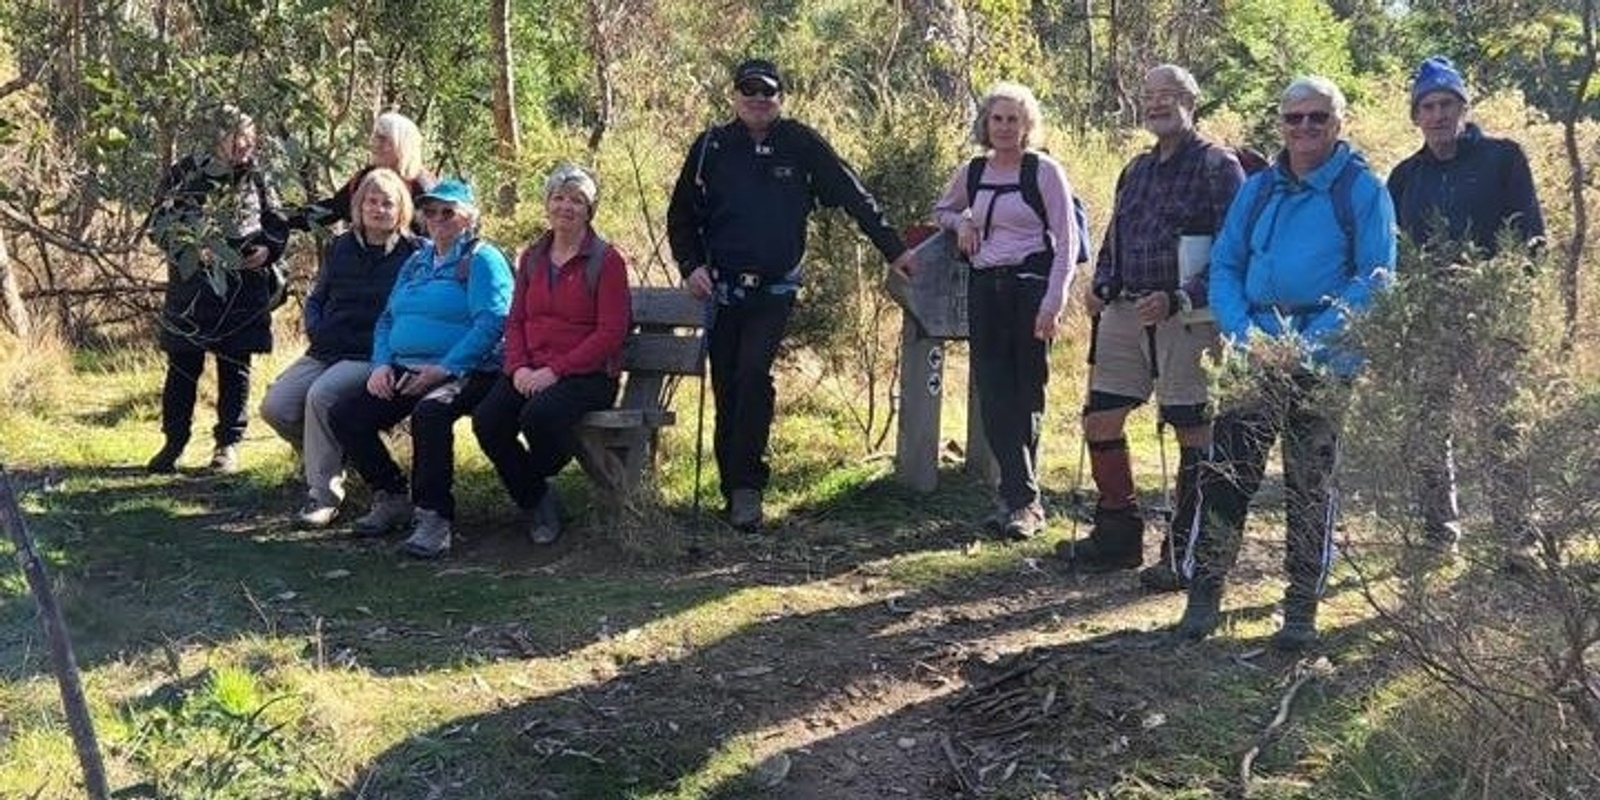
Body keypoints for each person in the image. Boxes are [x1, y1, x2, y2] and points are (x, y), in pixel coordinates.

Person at [1174, 76, 1396, 650]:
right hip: (1253, 353)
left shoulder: (1362, 189)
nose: (1303, 129)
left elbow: (1375, 278)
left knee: (1310, 484)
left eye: (1316, 118)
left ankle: (1300, 605)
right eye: (1293, 118)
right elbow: (1225, 265)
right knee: (1226, 473)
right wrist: (1245, 334)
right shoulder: (1260, 188)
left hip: (1326, 361)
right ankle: (1206, 592)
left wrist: (1306, 342)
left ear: (1337, 122)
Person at [666, 58, 915, 531]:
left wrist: (894, 249)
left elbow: (852, 194)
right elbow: (681, 217)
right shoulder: (711, 147)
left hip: (775, 290)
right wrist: (691, 267)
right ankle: (730, 488)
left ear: (781, 97)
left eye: (768, 91)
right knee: (728, 386)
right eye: (749, 90)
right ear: (734, 96)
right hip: (720, 289)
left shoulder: (800, 143)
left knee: (754, 375)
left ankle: (748, 490)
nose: (758, 99)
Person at [1058, 65, 1245, 585]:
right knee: (1100, 418)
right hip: (1126, 310)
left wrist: (1182, 296)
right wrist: (1103, 283)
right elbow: (1116, 237)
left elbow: (1235, 249)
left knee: (1193, 427)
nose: (1158, 104)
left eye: (1169, 96)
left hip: (1189, 315)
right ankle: (1118, 536)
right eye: (1150, 97)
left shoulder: (1217, 165)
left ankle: (1185, 551)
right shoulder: (1134, 169)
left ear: (1193, 101)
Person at [1386, 55, 1546, 565]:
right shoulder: (1405, 177)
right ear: (1415, 116)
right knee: (1430, 425)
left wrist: (1509, 304)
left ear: (1464, 106)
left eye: (1446, 104)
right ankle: (1440, 536)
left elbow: (1532, 239)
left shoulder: (1503, 158)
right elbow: (1392, 254)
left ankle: (1517, 536)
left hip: (1492, 315)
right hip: (1427, 320)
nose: (1437, 115)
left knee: (1501, 424)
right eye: (1427, 106)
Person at [329, 178, 512, 558]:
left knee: (430, 412)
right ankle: (392, 495)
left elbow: (493, 322)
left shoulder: (481, 259)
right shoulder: (417, 261)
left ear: (468, 218)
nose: (438, 218)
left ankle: (434, 518)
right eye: (431, 211)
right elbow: (386, 320)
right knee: (346, 415)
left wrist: (444, 369)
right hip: (405, 366)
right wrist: (381, 365)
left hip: (468, 371)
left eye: (449, 212)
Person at [931, 81, 1080, 540]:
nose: (1004, 127)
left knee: (1027, 391)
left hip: (1030, 287)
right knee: (992, 392)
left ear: (1027, 125)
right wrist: (961, 221)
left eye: (1013, 119)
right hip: (985, 288)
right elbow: (942, 209)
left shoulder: (1045, 171)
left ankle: (1018, 499)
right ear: (985, 123)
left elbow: (1067, 240)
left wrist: (1055, 300)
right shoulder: (974, 172)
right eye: (997, 118)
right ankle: (1023, 499)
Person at [472, 165, 630, 545]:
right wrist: (518, 367)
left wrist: (555, 372)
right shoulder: (533, 257)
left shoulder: (607, 261)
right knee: (488, 420)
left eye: (576, 200)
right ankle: (538, 499)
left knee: (538, 416)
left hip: (587, 376)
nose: (566, 207)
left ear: (589, 210)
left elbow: (611, 333)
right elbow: (517, 319)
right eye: (558, 197)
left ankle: (533, 485)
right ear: (547, 204)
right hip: (532, 367)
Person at [259, 168, 421, 527]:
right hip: (327, 348)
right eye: (371, 201)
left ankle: (323, 496)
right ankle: (336, 455)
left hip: (373, 354)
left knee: (321, 396)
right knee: (276, 406)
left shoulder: (415, 253)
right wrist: (316, 327)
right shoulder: (341, 247)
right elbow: (317, 297)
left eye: (387, 203)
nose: (378, 209)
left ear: (401, 210)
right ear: (358, 206)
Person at [146, 106, 288, 475]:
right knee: (182, 368)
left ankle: (228, 445)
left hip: (243, 289)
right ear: (215, 137)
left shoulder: (259, 177)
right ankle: (173, 443)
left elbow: (278, 222)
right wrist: (192, 249)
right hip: (192, 289)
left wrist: (268, 249)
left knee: (235, 367)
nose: (246, 144)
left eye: (250, 136)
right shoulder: (184, 174)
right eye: (237, 136)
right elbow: (158, 226)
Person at [288, 111, 435, 232]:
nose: (375, 144)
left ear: (402, 145)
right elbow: (334, 208)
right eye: (375, 137)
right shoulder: (365, 178)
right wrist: (289, 218)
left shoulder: (423, 187)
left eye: (383, 139)